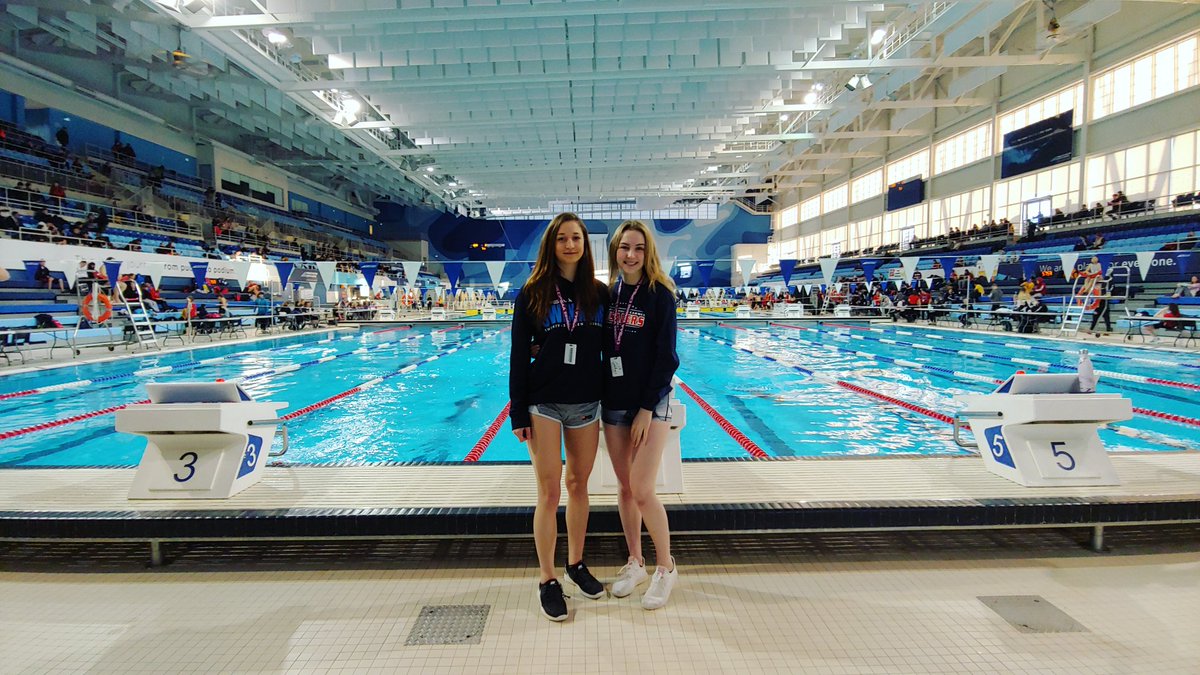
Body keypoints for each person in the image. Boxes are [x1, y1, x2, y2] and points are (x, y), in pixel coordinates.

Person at [508, 212, 609, 622]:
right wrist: (518, 411)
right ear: (551, 244)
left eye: (576, 238)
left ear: (585, 245)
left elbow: (612, 347)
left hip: (586, 401)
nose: (570, 244)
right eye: (562, 238)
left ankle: (576, 563)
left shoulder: (598, 294)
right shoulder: (532, 293)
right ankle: (548, 578)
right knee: (549, 492)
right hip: (543, 402)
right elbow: (518, 354)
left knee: (579, 485)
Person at [601, 220, 681, 610]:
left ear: (647, 252)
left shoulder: (660, 295)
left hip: (650, 405)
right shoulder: (609, 294)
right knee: (624, 487)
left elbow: (667, 358)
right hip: (614, 401)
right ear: (614, 251)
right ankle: (635, 562)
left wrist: (647, 409)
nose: (630, 255)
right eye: (623, 248)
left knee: (643, 489)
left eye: (637, 248)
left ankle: (666, 567)